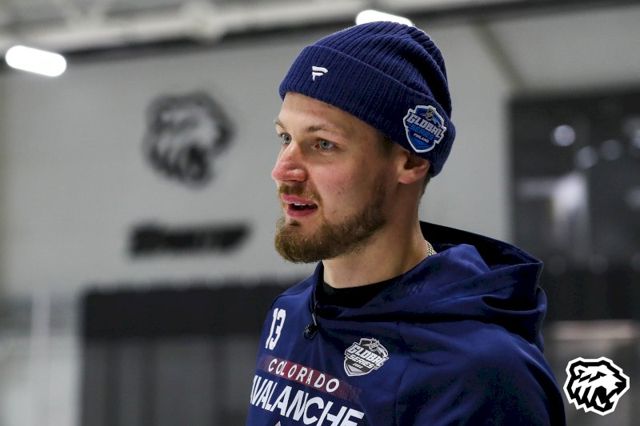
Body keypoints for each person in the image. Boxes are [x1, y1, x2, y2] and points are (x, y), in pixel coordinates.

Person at [246, 21, 566, 425]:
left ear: (411, 161)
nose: (282, 170)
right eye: (285, 138)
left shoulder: (483, 374)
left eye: (323, 144)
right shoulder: (290, 313)